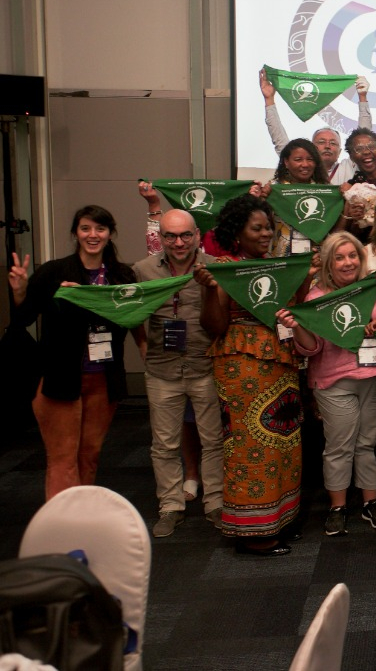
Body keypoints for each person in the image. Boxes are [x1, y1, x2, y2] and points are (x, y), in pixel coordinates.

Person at [194, 195, 302, 555]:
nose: (265, 233)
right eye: (256, 228)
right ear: (236, 233)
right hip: (242, 364)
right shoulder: (226, 268)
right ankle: (252, 532)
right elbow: (214, 326)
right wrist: (211, 289)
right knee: (250, 446)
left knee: (282, 441)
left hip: (281, 363)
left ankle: (281, 518)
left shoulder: (277, 265)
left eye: (268, 227)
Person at [9, 206, 137, 501]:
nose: (93, 235)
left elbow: (130, 319)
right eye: (85, 228)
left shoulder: (121, 275)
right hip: (60, 379)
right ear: (75, 233)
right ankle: (62, 531)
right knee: (63, 460)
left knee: (89, 456)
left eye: (100, 229)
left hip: (103, 379)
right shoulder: (54, 272)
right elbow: (23, 319)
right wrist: (19, 291)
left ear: (109, 234)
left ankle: (82, 520)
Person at [279, 232, 376, 536]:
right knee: (340, 446)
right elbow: (310, 348)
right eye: (340, 257)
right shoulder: (316, 298)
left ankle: (371, 503)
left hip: (372, 377)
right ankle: (338, 507)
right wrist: (297, 327)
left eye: (353, 256)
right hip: (334, 381)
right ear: (329, 262)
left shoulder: (373, 289)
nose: (348, 262)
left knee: (368, 443)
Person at [132, 209, 223, 538]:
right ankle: (170, 506)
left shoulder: (214, 268)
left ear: (198, 235)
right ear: (161, 236)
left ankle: (215, 502)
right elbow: (132, 312)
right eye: (170, 236)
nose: (179, 242)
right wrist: (141, 344)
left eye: (185, 235)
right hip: (162, 369)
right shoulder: (142, 270)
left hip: (205, 365)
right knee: (164, 445)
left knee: (214, 441)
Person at [261, 68, 371, 184]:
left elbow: (363, 139)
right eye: (321, 142)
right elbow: (279, 138)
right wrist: (269, 100)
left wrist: (362, 98)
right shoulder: (303, 169)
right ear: (311, 149)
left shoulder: (348, 168)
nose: (327, 146)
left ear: (339, 151)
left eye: (333, 143)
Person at [259, 137, 333, 257]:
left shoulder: (323, 188)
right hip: (282, 256)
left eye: (310, 159)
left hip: (316, 257)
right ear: (286, 162)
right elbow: (262, 222)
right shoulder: (274, 188)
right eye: (298, 159)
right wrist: (262, 198)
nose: (305, 164)